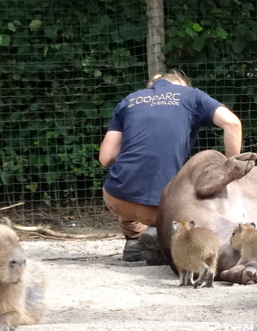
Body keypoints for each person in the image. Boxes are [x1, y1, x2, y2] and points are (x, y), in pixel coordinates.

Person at [98, 70, 243, 261]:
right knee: (194, 186)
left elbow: (106, 158)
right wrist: (231, 174)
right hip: (160, 207)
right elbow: (232, 123)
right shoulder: (191, 95)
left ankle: (134, 240)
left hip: (117, 197)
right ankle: (158, 231)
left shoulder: (130, 100)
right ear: (181, 83)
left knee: (129, 178)